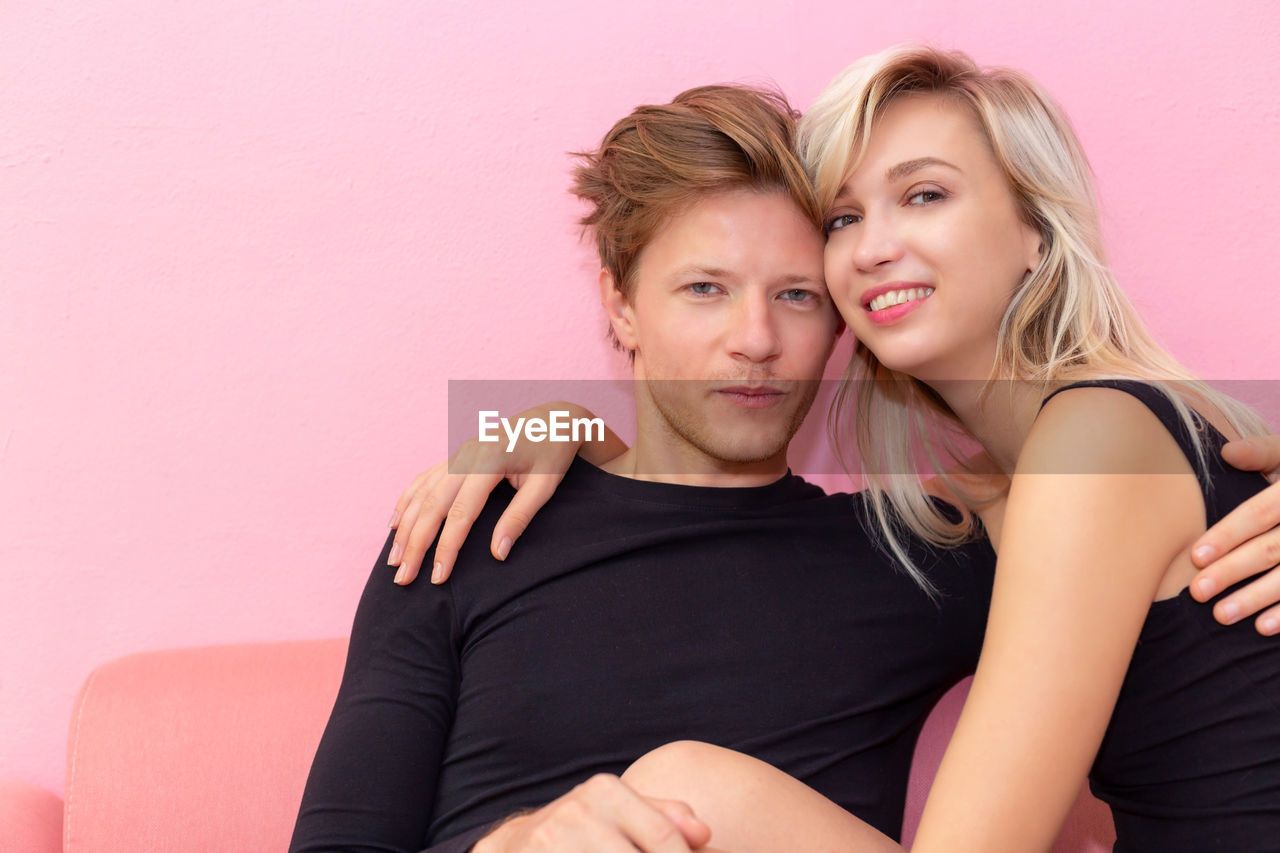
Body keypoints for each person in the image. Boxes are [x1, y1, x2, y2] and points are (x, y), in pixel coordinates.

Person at [449, 46, 1280, 851]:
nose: (875, 245)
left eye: (924, 194)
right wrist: (557, 422)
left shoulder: (1096, 437)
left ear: (1036, 227)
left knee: (693, 788)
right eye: (844, 218)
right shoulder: (1005, 496)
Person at [291, 83, 999, 853]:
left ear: (839, 317)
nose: (756, 339)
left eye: (796, 295)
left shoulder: (914, 555)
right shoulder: (471, 529)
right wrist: (516, 844)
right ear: (621, 306)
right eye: (706, 289)